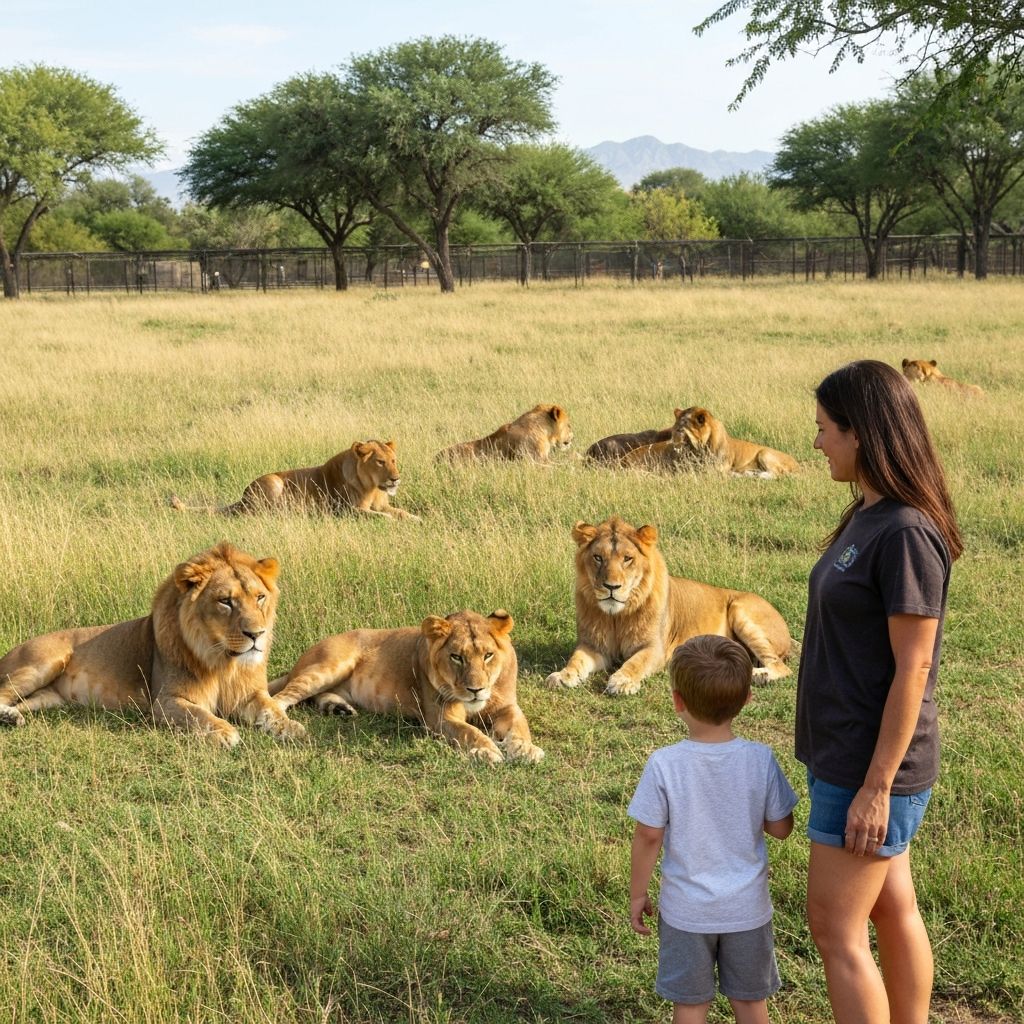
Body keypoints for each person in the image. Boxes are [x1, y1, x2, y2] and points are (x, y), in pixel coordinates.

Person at [800, 359, 962, 1024]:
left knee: (836, 934)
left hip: (869, 766)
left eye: (824, 430)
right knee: (894, 908)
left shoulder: (905, 533)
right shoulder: (867, 515)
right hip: (849, 753)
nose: (816, 444)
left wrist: (876, 786)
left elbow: (914, 669)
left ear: (860, 434)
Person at [629, 634, 798, 1024]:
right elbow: (781, 828)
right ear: (746, 701)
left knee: (689, 1007)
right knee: (751, 1005)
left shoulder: (663, 765)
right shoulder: (761, 759)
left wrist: (639, 894)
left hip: (685, 914)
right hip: (748, 912)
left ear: (677, 702)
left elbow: (649, 835)